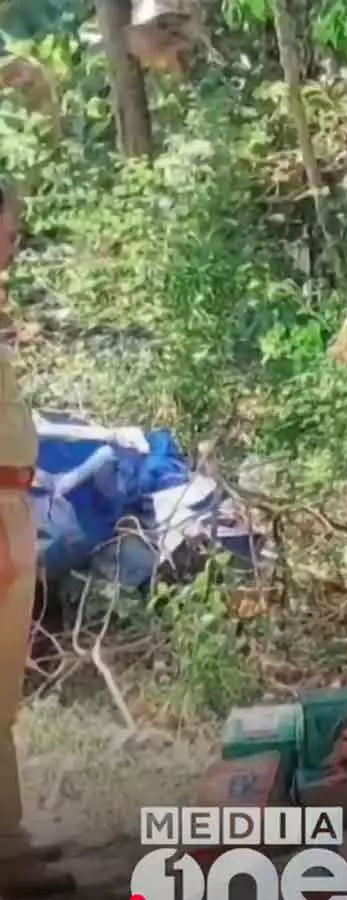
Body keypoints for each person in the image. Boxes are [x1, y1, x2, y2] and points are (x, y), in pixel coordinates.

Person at [0, 185, 73, 897]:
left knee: (4, 687)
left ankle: (9, 839)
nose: (13, 244)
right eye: (7, 232)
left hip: (12, 500)